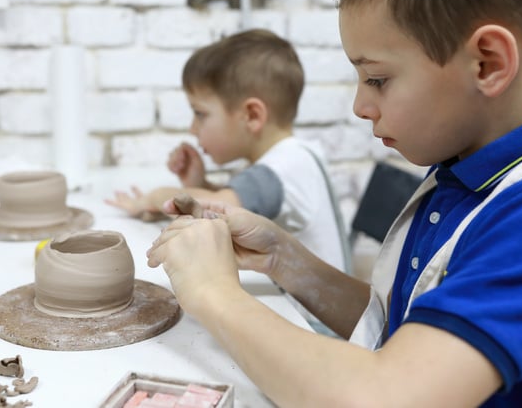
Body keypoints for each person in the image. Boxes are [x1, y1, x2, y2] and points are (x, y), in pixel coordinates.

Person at [146, 0, 522, 406]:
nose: (361, 106)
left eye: (378, 79)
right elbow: (412, 330)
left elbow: (388, 395)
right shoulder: (465, 172)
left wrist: (212, 293)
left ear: (488, 64)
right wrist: (284, 259)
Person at [107, 28, 351, 272]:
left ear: (252, 116)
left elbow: (214, 207)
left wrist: (153, 198)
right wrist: (200, 182)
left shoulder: (281, 170)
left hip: (305, 310)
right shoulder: (293, 157)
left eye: (200, 114)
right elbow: (238, 207)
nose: (193, 129)